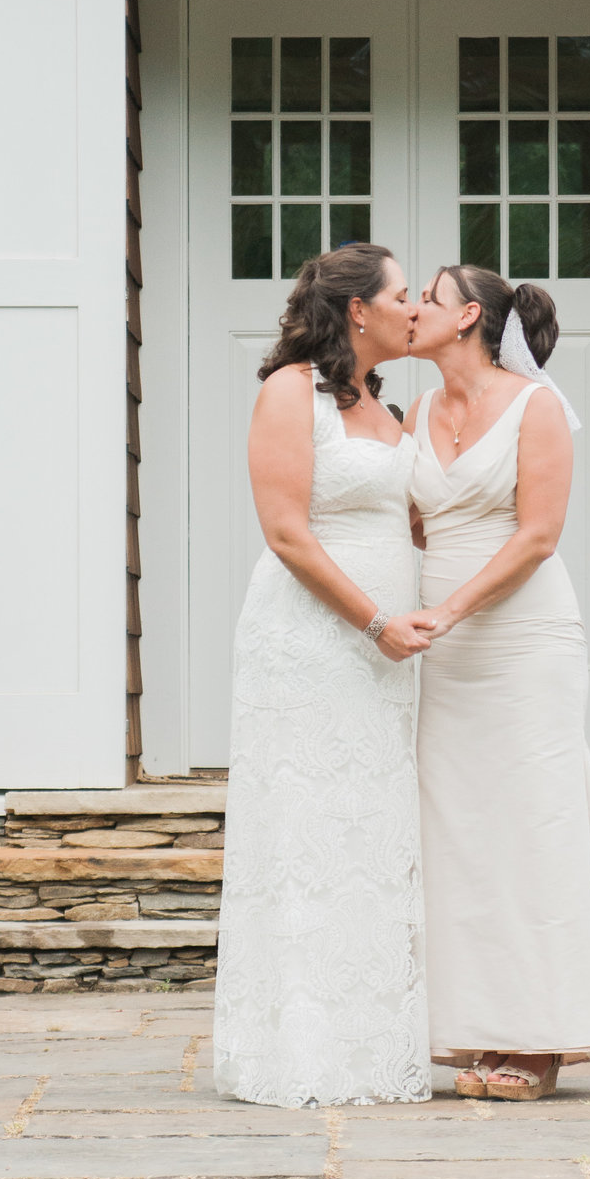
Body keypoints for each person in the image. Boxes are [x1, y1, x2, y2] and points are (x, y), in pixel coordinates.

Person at [406, 264, 590, 1101]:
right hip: (439, 644)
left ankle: (545, 1034)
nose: (412, 309)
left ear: (469, 317)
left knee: (535, 822)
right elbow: (415, 520)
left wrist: (448, 609)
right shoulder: (415, 409)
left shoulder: (536, 406)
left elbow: (536, 536)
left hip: (522, 638)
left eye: (429, 299)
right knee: (457, 834)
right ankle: (477, 1025)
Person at [213, 244, 437, 1108]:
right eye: (402, 295)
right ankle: (297, 1051)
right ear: (357, 310)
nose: (413, 307)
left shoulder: (391, 408)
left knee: (370, 835)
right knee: (306, 833)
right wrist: (375, 620)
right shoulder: (289, 391)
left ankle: (372, 1044)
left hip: (385, 653)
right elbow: (287, 533)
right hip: (310, 643)